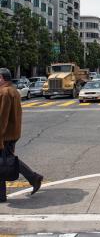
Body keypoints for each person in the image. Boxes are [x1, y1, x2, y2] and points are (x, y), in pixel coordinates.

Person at [0, 68, 43, 202]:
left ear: (2, 78)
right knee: (5, 161)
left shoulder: (5, 92)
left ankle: (34, 177)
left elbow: (2, 117)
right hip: (13, 133)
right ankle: (33, 178)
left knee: (6, 162)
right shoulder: (13, 90)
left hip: (5, 135)